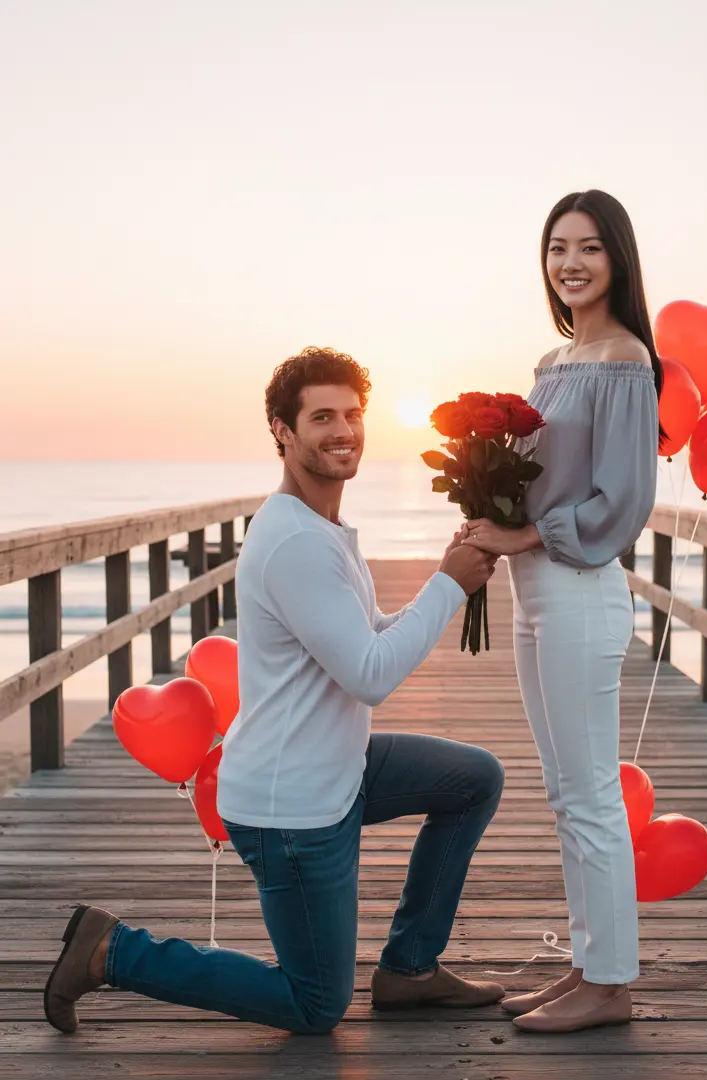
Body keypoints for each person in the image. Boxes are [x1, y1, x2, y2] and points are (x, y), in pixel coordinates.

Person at [44, 346, 506, 1036]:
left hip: (334, 771)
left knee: (473, 778)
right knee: (315, 1004)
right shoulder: (294, 543)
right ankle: (114, 951)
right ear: (282, 432)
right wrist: (449, 586)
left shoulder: (322, 530)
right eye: (322, 416)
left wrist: (445, 570)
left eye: (352, 414)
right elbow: (370, 674)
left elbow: (362, 635)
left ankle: (409, 969)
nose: (343, 430)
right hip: (291, 810)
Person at [461, 191, 661, 1032]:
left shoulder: (625, 361)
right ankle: (586, 966)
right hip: (536, 594)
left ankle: (611, 986)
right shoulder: (554, 361)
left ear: (617, 256)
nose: (569, 262)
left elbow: (622, 505)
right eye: (555, 248)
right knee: (563, 793)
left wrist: (520, 534)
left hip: (579, 590)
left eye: (587, 247)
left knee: (590, 796)